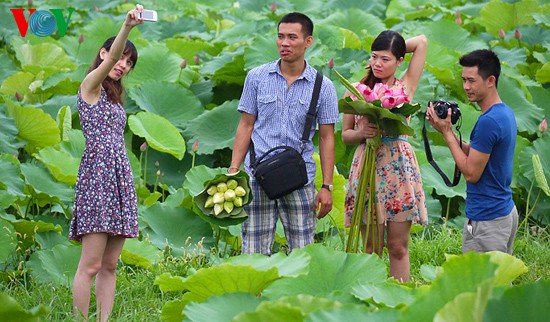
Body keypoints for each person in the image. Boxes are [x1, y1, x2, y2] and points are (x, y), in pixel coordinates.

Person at [228, 12, 339, 256]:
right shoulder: (256, 77)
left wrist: (327, 186)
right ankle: (256, 295)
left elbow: (327, 137)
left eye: (292, 37)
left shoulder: (323, 86)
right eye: (280, 37)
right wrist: (234, 171)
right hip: (258, 175)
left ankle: (298, 294)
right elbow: (246, 125)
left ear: (308, 42)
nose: (284, 43)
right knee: (254, 252)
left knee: (303, 251)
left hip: (300, 179)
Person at [68, 4, 143, 321]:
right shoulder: (91, 87)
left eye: (129, 62)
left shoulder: (114, 97)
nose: (122, 65)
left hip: (118, 178)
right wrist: (127, 27)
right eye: (120, 58)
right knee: (91, 265)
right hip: (97, 178)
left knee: (110, 265)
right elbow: (111, 59)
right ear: (101, 54)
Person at [342, 30, 428, 282]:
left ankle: (401, 297)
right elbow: (345, 134)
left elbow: (421, 42)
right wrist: (361, 133)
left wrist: (397, 44)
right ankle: (373, 302)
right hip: (368, 164)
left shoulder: (405, 87)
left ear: (400, 61)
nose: (377, 64)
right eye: (374, 57)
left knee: (398, 247)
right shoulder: (356, 91)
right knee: (371, 249)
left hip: (398, 168)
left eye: (386, 59)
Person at [427, 49, 518, 254]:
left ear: (490, 81)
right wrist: (445, 131)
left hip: (488, 219)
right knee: (500, 284)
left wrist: (448, 135)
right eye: (463, 80)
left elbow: (471, 173)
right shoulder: (504, 112)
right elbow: (482, 154)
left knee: (482, 285)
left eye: (471, 80)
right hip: (504, 211)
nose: (466, 87)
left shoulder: (489, 122)